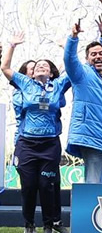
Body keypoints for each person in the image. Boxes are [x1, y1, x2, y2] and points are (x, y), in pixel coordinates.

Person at [2, 33, 70, 233]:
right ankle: (29, 224)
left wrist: (67, 47)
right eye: (38, 65)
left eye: (45, 66)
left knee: (47, 184)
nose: (41, 66)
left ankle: (49, 225)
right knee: (29, 186)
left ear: (51, 72)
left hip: (49, 145)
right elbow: (5, 68)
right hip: (27, 144)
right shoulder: (24, 83)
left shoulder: (58, 86)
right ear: (31, 73)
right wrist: (12, 44)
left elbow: (76, 68)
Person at [64, 21, 102, 184]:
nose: (98, 57)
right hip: (92, 137)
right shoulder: (81, 74)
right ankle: (90, 210)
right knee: (92, 183)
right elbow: (69, 59)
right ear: (87, 58)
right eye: (93, 54)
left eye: (101, 53)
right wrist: (73, 38)